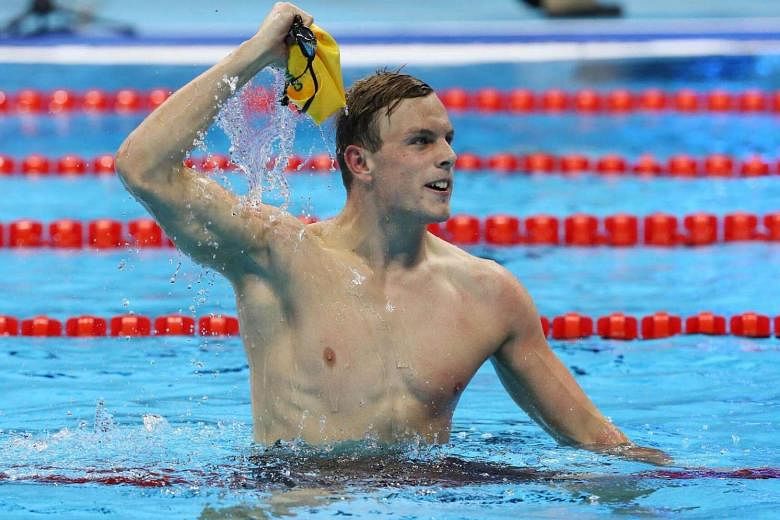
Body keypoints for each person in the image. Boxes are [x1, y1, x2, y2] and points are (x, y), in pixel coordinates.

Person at [116, 2, 669, 466]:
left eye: (448, 139)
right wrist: (258, 53)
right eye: (421, 142)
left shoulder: (488, 295)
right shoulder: (277, 255)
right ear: (360, 162)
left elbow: (599, 444)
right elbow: (143, 166)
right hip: (296, 500)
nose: (449, 157)